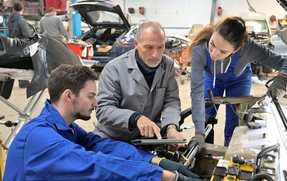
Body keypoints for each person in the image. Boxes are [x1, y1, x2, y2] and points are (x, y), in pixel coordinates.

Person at [3, 64, 202, 181]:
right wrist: (167, 177)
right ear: (69, 95)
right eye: (90, 96)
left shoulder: (65, 128)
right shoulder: (41, 137)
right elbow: (95, 164)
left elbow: (100, 145)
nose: (96, 103)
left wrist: (159, 162)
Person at [187, 16, 287, 146]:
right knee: (206, 116)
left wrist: (281, 80)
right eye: (212, 45)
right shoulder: (199, 51)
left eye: (223, 51)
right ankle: (204, 148)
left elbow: (286, 62)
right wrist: (199, 132)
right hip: (212, 79)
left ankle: (230, 150)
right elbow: (196, 93)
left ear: (237, 49)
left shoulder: (249, 48)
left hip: (239, 80)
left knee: (236, 121)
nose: (214, 54)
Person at [94, 21, 185, 147]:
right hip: (113, 138)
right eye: (149, 47)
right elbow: (103, 110)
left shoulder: (168, 65)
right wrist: (135, 118)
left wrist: (170, 127)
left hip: (146, 139)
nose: (156, 54)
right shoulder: (114, 68)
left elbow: (171, 101)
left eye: (160, 47)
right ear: (136, 44)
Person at [7, 2, 31, 88]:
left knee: (16, 62)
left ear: (13, 9)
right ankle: (23, 81)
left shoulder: (9, 20)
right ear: (22, 9)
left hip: (12, 42)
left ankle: (21, 81)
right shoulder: (21, 20)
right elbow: (26, 33)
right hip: (21, 43)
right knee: (23, 62)